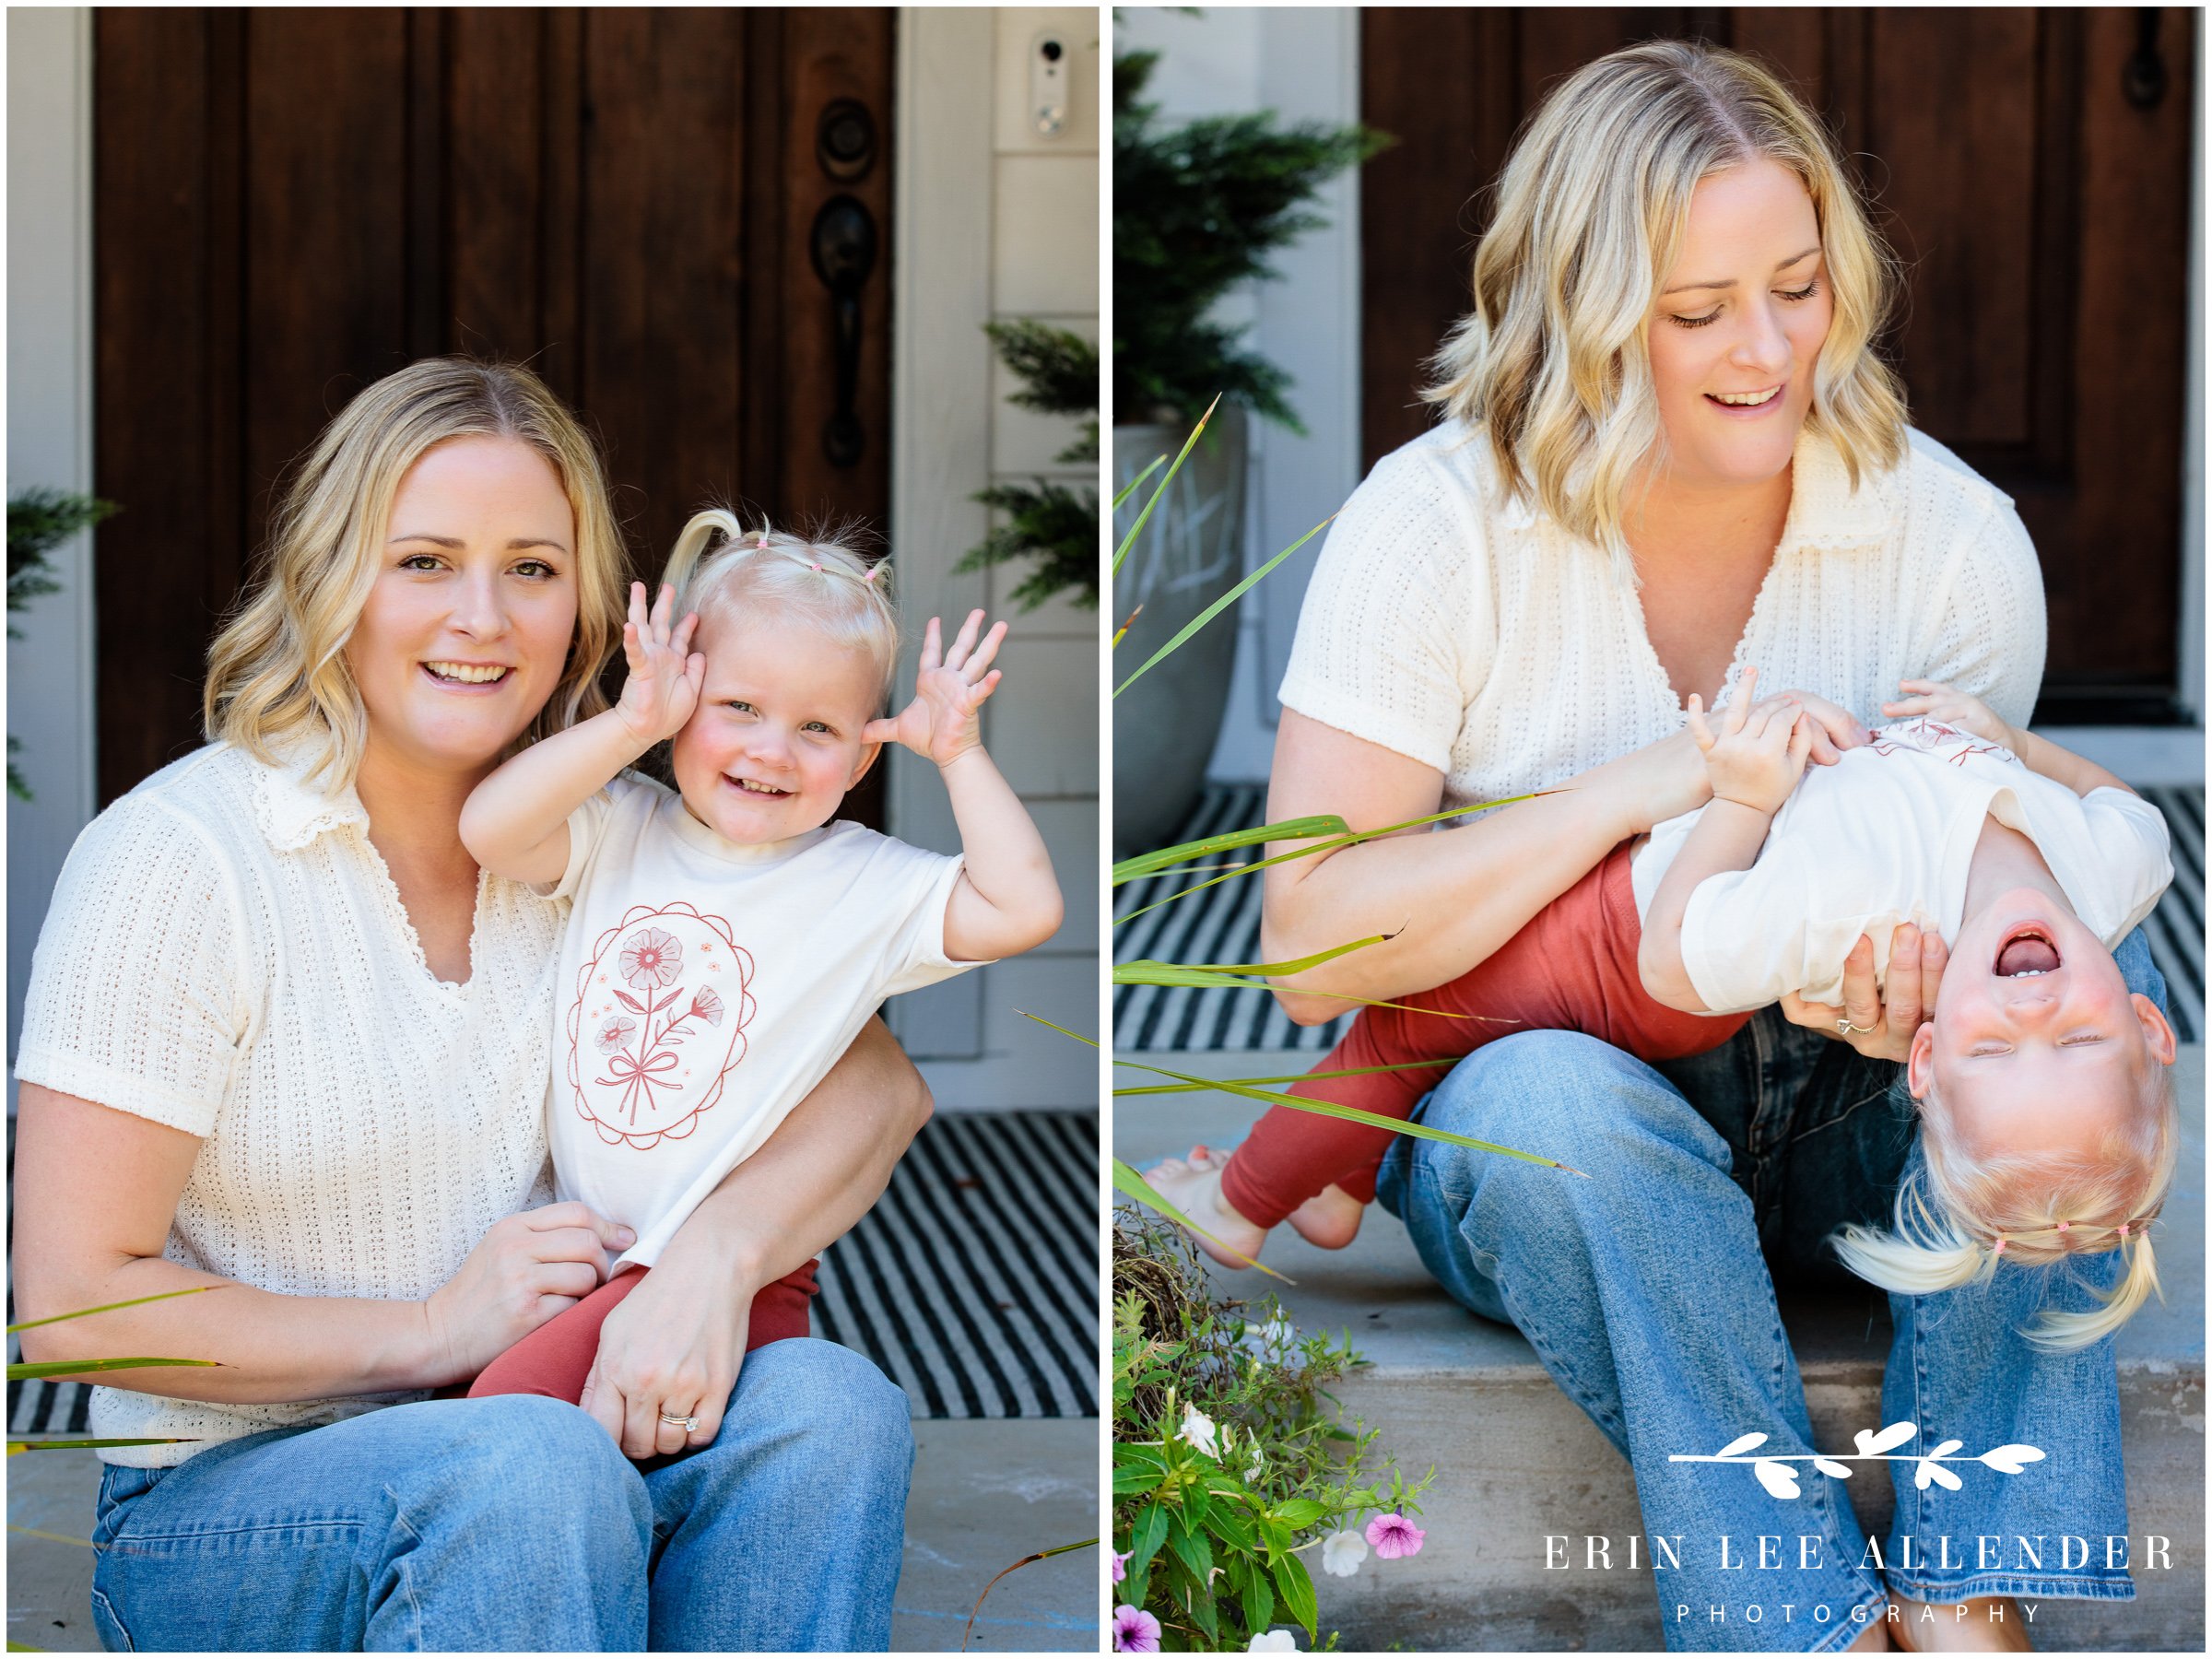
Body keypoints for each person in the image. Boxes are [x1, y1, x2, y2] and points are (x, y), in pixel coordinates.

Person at [1237, 41, 2164, 1653]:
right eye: (1695, 311)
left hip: (1868, 1117)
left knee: (2082, 1011)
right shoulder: (1437, 527)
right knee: (1551, 1112)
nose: (1769, 351)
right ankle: (1793, 1619)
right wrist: (1636, 790)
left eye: (1799, 286)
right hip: (1565, 1115)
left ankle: (1968, 1593)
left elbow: (2001, 845)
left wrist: (1940, 1000)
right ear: (1582, 320)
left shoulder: (1947, 538)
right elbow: (1312, 945)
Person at [11, 359, 930, 1651]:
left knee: (830, 1408)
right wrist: (432, 1331)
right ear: (334, 578)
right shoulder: (183, 858)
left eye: (534, 569)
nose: (484, 618)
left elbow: (878, 1082)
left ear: (594, 606)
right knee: (520, 1470)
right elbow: (72, 1306)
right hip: (233, 1512)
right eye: (426, 562)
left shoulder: (614, 838)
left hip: (550, 1431)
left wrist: (713, 1259)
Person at [1150, 674, 2177, 1353]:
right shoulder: (2113, 866)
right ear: (2146, 1025)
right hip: (1638, 929)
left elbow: (1674, 961)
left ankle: (1237, 1207)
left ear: (1921, 1054)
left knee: (1408, 1026)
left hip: (1619, 944)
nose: (2031, 1007)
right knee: (1434, 1026)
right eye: (2077, 1038)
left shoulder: (1855, 903)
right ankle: (1334, 1185)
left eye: (1994, 1049)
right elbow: (2123, 799)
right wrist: (2016, 749)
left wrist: (1739, 802)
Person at [460, 511, 1061, 1415]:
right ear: (682, 706)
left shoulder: (861, 882)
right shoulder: (620, 824)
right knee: (527, 1411)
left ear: (863, 756)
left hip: (738, 1268)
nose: (771, 750)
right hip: (593, 1250)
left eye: (818, 728)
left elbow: (1023, 908)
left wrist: (961, 756)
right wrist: (630, 725)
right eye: (738, 708)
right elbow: (490, 828)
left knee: (513, 1408)